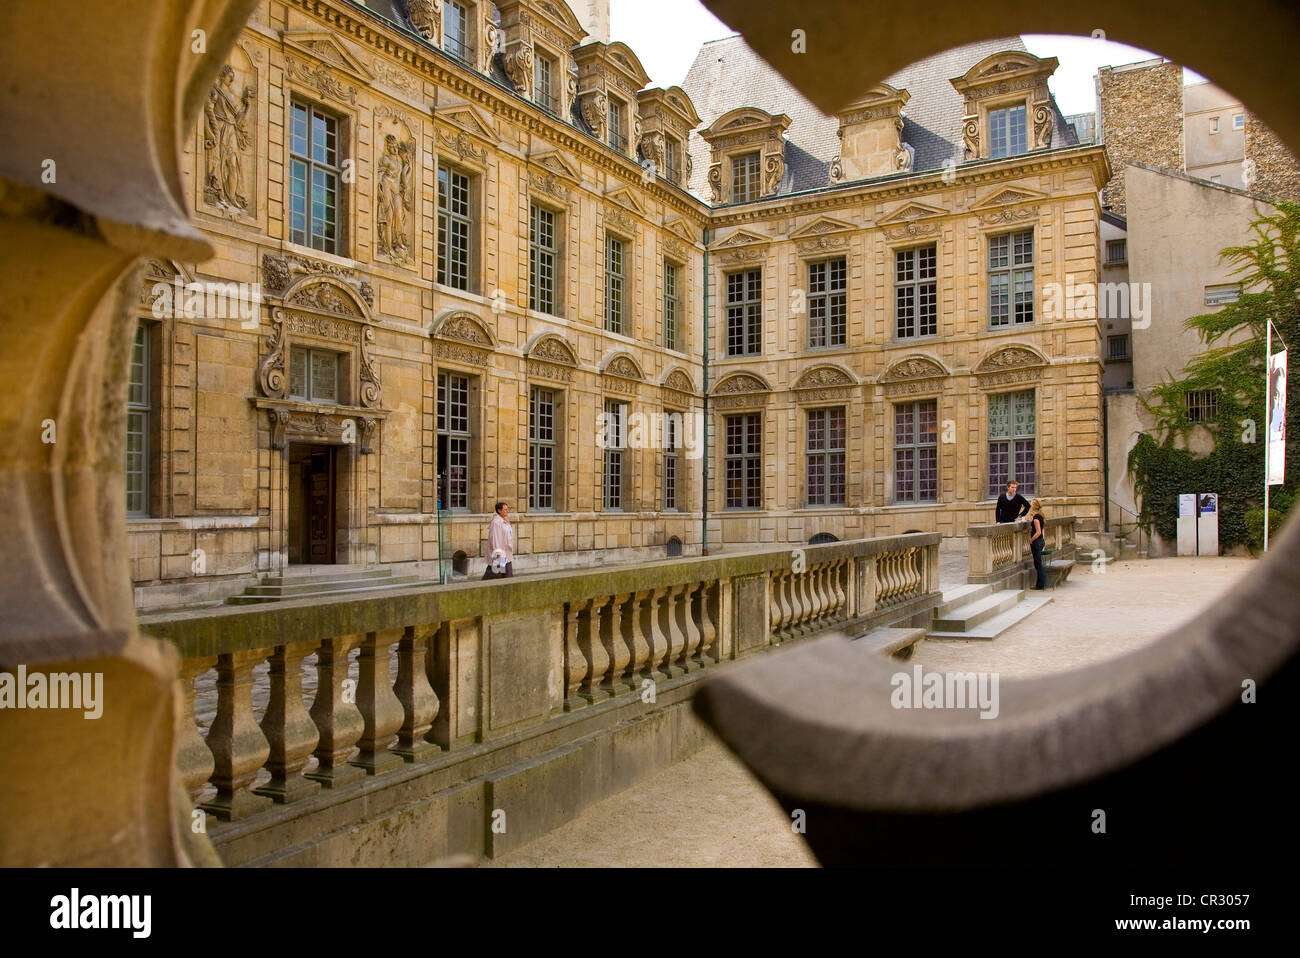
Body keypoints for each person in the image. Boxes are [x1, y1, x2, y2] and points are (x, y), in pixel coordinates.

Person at [483, 501, 514, 579]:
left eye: (507, 509)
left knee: (507, 574)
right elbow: (495, 538)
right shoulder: (496, 522)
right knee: (494, 575)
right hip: (500, 553)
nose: (507, 511)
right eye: (505, 509)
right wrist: (498, 553)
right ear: (499, 511)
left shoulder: (505, 520)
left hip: (506, 552)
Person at [1028, 498, 1047, 590]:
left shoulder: (1036, 518)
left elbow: (1038, 532)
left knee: (1038, 564)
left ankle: (1040, 584)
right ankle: (1041, 583)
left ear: (1033, 506)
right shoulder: (1040, 516)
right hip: (1041, 541)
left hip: (1037, 542)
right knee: (1039, 563)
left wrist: (1031, 539)